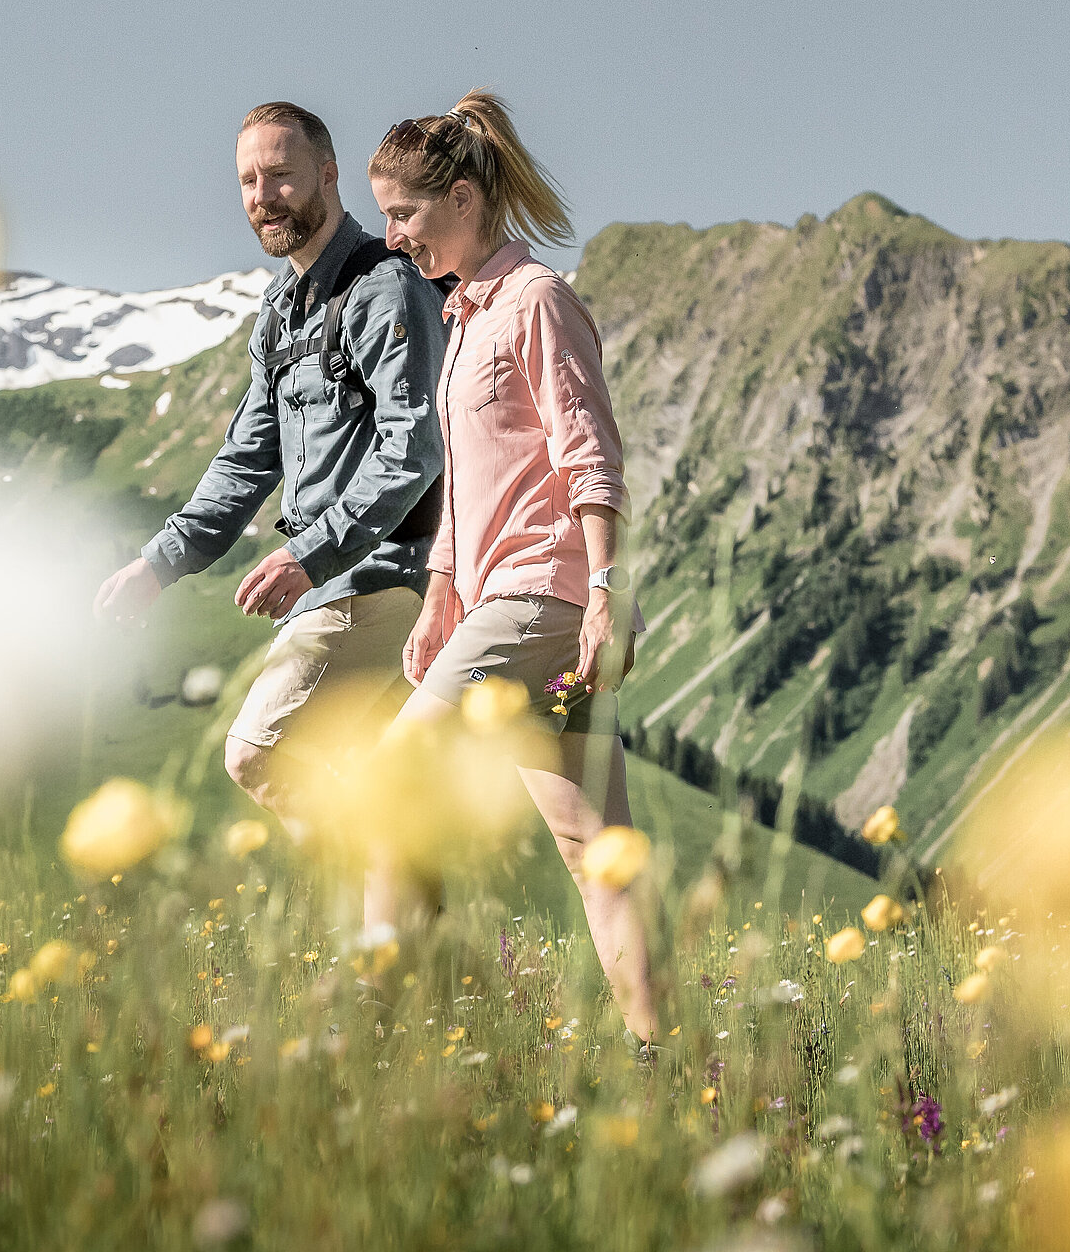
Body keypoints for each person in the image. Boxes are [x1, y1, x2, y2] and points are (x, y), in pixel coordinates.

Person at [365, 92, 661, 1047]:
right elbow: (471, 485)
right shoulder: (466, 321)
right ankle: (667, 1058)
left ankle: (383, 1032)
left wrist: (608, 590)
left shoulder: (536, 302)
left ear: (460, 197)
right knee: (595, 852)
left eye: (404, 215)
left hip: (543, 601)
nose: (392, 236)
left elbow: (589, 450)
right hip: (501, 597)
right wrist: (440, 591)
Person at [95, 101, 448, 827]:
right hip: (329, 590)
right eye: (249, 181)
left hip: (383, 583)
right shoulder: (279, 313)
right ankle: (403, 929)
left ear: (328, 174)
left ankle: (376, 911)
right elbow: (246, 461)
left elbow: (413, 448)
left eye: (281, 176)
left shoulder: (386, 289)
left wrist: (308, 558)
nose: (263, 196)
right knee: (377, 793)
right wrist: (156, 564)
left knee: (258, 753)